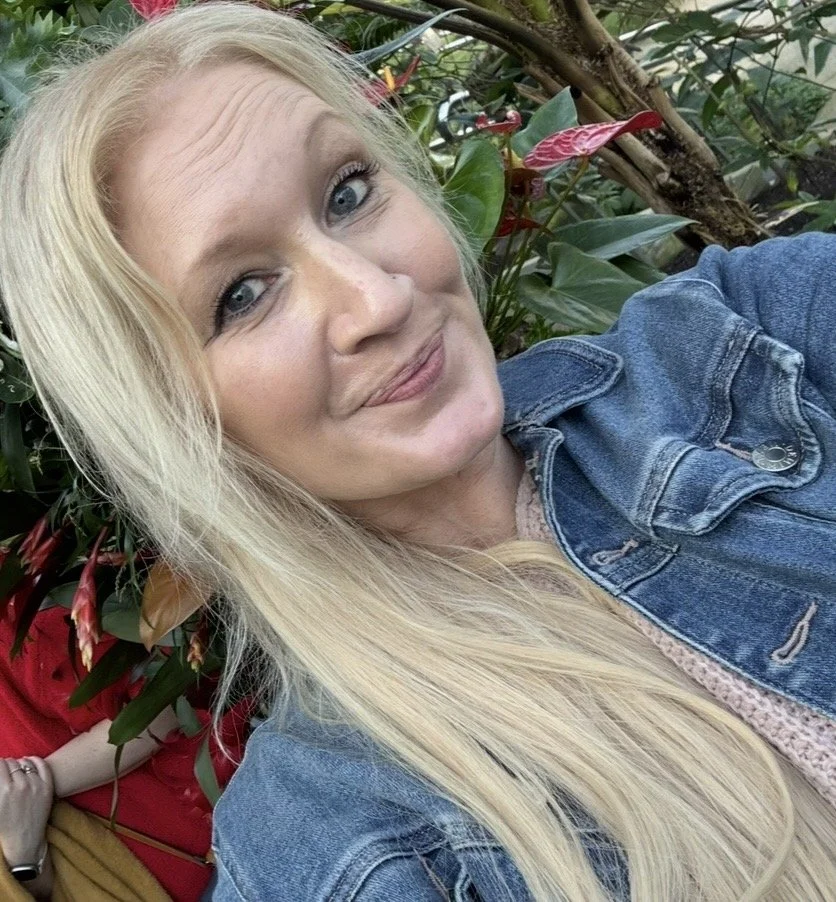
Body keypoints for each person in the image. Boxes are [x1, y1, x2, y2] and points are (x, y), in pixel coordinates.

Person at [0, 3, 833, 899]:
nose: (379, 299)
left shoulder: (745, 338)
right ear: (173, 423)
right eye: (242, 294)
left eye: (348, 193)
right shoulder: (328, 847)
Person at [0, 600, 249, 900]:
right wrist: (22, 855)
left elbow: (170, 695)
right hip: (174, 873)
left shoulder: (19, 619)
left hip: (236, 837)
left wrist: (33, 783)